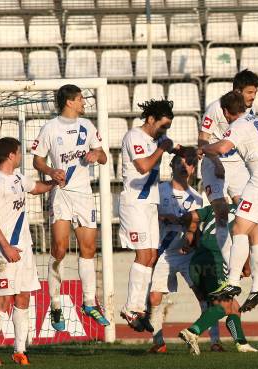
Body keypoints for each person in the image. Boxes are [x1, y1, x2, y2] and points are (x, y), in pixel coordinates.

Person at [32, 84, 109, 330]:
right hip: (61, 194)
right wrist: (50, 170)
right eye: (80, 99)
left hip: (84, 196)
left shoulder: (87, 126)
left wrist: (97, 156)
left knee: (88, 249)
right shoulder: (50, 128)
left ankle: (89, 302)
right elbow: (37, 160)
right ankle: (55, 305)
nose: (84, 103)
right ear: (69, 102)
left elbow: (104, 155)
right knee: (60, 248)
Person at [205, 91, 258, 313]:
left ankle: (232, 283)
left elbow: (222, 147)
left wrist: (204, 149)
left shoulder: (239, 123)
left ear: (225, 111)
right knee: (256, 237)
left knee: (239, 229)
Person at [0, 138, 57, 366]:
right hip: (5, 252)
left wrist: (55, 182)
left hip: (24, 249)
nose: (21, 156)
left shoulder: (17, 178)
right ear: (12, 155)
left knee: (24, 297)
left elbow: (36, 188)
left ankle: (20, 350)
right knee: (3, 299)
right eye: (19, 152)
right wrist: (5, 247)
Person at [146, 149, 212, 353]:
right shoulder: (160, 190)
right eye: (180, 163)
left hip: (187, 253)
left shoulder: (198, 198)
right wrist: (163, 216)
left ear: (194, 169)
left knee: (203, 294)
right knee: (155, 297)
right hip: (164, 252)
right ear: (171, 166)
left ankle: (213, 340)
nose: (186, 167)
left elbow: (200, 226)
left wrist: (192, 236)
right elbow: (146, 213)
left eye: (190, 163)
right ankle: (159, 343)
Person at [119, 99, 175, 333]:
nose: (165, 131)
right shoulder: (134, 136)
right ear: (150, 119)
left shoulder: (157, 139)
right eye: (163, 126)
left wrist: (185, 151)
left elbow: (171, 147)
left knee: (151, 256)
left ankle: (138, 308)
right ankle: (131, 308)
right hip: (134, 202)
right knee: (143, 254)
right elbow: (143, 166)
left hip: (150, 203)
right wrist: (163, 147)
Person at [198, 70, 258, 271]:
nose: (253, 96)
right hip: (213, 163)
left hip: (237, 165)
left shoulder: (250, 112)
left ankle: (250, 262)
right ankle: (231, 264)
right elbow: (203, 139)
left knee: (247, 213)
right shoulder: (216, 108)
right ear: (238, 90)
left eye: (255, 92)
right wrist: (214, 161)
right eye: (250, 92)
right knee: (222, 212)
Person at [177, 203, 258, 355]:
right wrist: (246, 267)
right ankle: (192, 331)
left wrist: (190, 232)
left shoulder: (215, 206)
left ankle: (241, 343)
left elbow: (191, 216)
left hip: (198, 259)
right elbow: (244, 241)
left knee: (234, 307)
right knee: (225, 304)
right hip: (216, 260)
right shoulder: (247, 211)